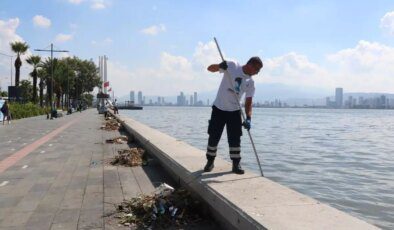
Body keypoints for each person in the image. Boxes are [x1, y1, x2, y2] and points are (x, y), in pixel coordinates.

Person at [204, 56, 263, 174]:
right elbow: (210, 68)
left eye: (259, 71)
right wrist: (220, 66)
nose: (257, 73)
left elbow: (248, 102)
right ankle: (210, 162)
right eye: (257, 70)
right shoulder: (232, 66)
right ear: (250, 65)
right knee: (214, 136)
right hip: (219, 108)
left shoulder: (250, 82)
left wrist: (249, 118)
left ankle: (236, 164)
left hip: (235, 111)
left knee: (235, 139)